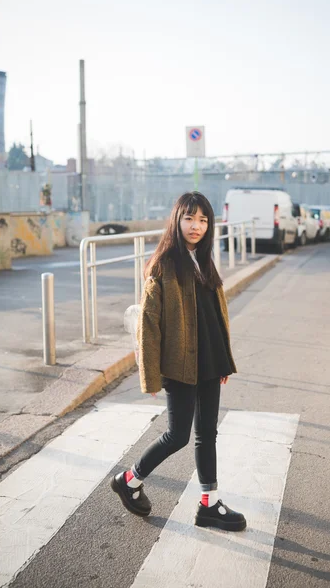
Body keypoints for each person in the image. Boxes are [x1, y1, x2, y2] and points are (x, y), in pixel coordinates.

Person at [111, 192, 246, 532]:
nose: (196, 226)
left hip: (208, 362)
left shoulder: (204, 259)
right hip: (179, 364)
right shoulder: (165, 264)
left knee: (207, 435)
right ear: (177, 220)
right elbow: (150, 325)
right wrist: (152, 375)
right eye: (190, 218)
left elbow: (216, 316)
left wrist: (222, 361)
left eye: (203, 220)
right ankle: (128, 479)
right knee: (178, 435)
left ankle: (209, 505)